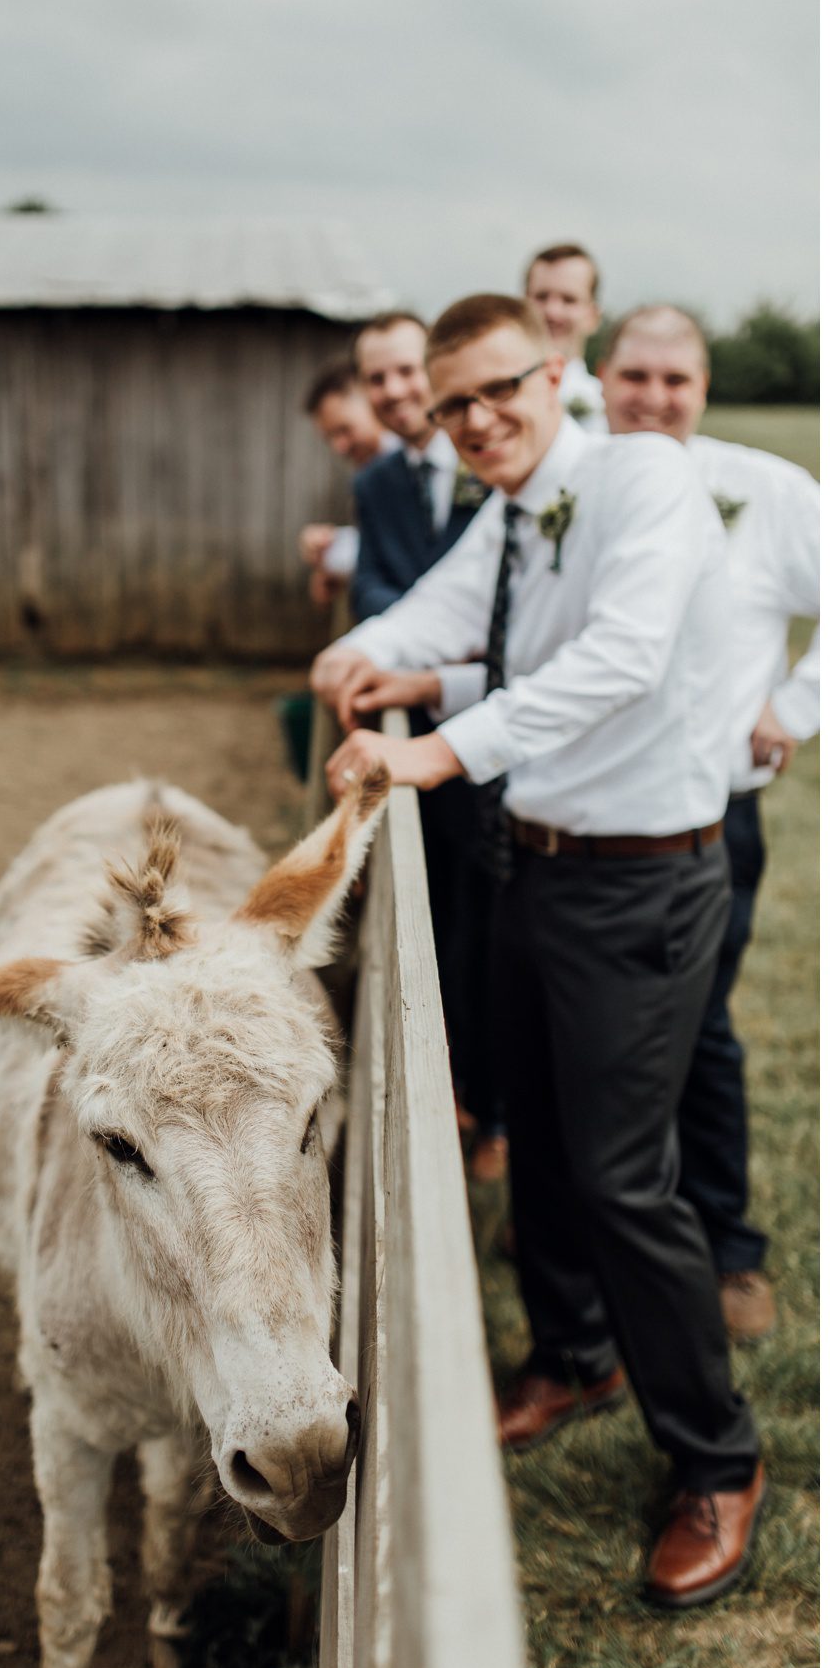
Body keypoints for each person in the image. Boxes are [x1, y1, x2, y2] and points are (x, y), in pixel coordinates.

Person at [312, 293, 763, 1607]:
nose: (479, 419)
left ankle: (717, 1460)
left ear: (558, 372)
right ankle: (573, 1351)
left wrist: (433, 748)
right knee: (541, 1142)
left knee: (627, 1178)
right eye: (455, 404)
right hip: (534, 869)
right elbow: (440, 617)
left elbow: (622, 656)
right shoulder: (510, 510)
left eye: (501, 388)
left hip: (646, 882)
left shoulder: (642, 479)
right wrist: (359, 654)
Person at [598, 303, 820, 1342]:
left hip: (712, 817)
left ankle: (728, 1247)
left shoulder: (766, 492)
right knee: (604, 1032)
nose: (651, 398)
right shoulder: (576, 482)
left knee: (699, 1028)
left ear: (704, 386)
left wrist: (797, 705)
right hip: (594, 813)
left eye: (674, 380)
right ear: (601, 377)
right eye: (634, 376)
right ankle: (606, 1231)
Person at [348, 310, 505, 1179]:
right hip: (426, 741)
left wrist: (425, 636)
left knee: (498, 930)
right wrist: (417, 632)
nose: (399, 392)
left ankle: (498, 1113)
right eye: (380, 379)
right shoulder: (376, 484)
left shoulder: (494, 467)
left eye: (409, 373)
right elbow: (374, 586)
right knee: (440, 915)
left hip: (503, 741)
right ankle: (456, 1097)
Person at [298, 360, 397, 606]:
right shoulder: (369, 478)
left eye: (344, 429)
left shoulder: (414, 465)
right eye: (330, 437)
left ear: (371, 402)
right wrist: (332, 553)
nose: (339, 447)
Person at [524, 243, 607, 431]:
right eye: (541, 297)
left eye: (569, 300)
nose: (552, 312)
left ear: (593, 317)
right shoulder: (486, 397)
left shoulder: (607, 404)